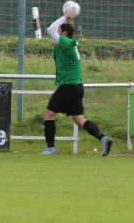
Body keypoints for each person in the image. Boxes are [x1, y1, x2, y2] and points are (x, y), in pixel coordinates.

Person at [39, 9, 113, 156]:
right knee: (79, 119)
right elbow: (55, 30)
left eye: (59, 30)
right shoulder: (69, 44)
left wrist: (66, 16)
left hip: (68, 86)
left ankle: (50, 149)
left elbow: (49, 29)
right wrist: (68, 21)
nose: (56, 32)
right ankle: (103, 138)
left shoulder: (65, 42)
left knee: (48, 115)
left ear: (64, 33)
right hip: (77, 87)